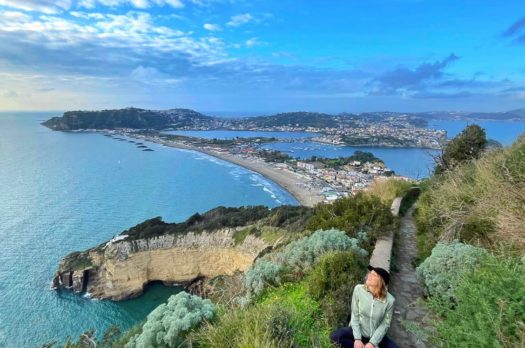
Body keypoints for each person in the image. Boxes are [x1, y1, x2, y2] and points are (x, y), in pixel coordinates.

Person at [330, 265, 398, 348]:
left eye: (374, 275)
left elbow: (385, 324)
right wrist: (357, 339)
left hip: (375, 335)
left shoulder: (390, 300)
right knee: (335, 336)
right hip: (358, 331)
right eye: (370, 273)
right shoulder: (358, 290)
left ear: (381, 281)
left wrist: (372, 343)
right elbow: (354, 315)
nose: (369, 276)